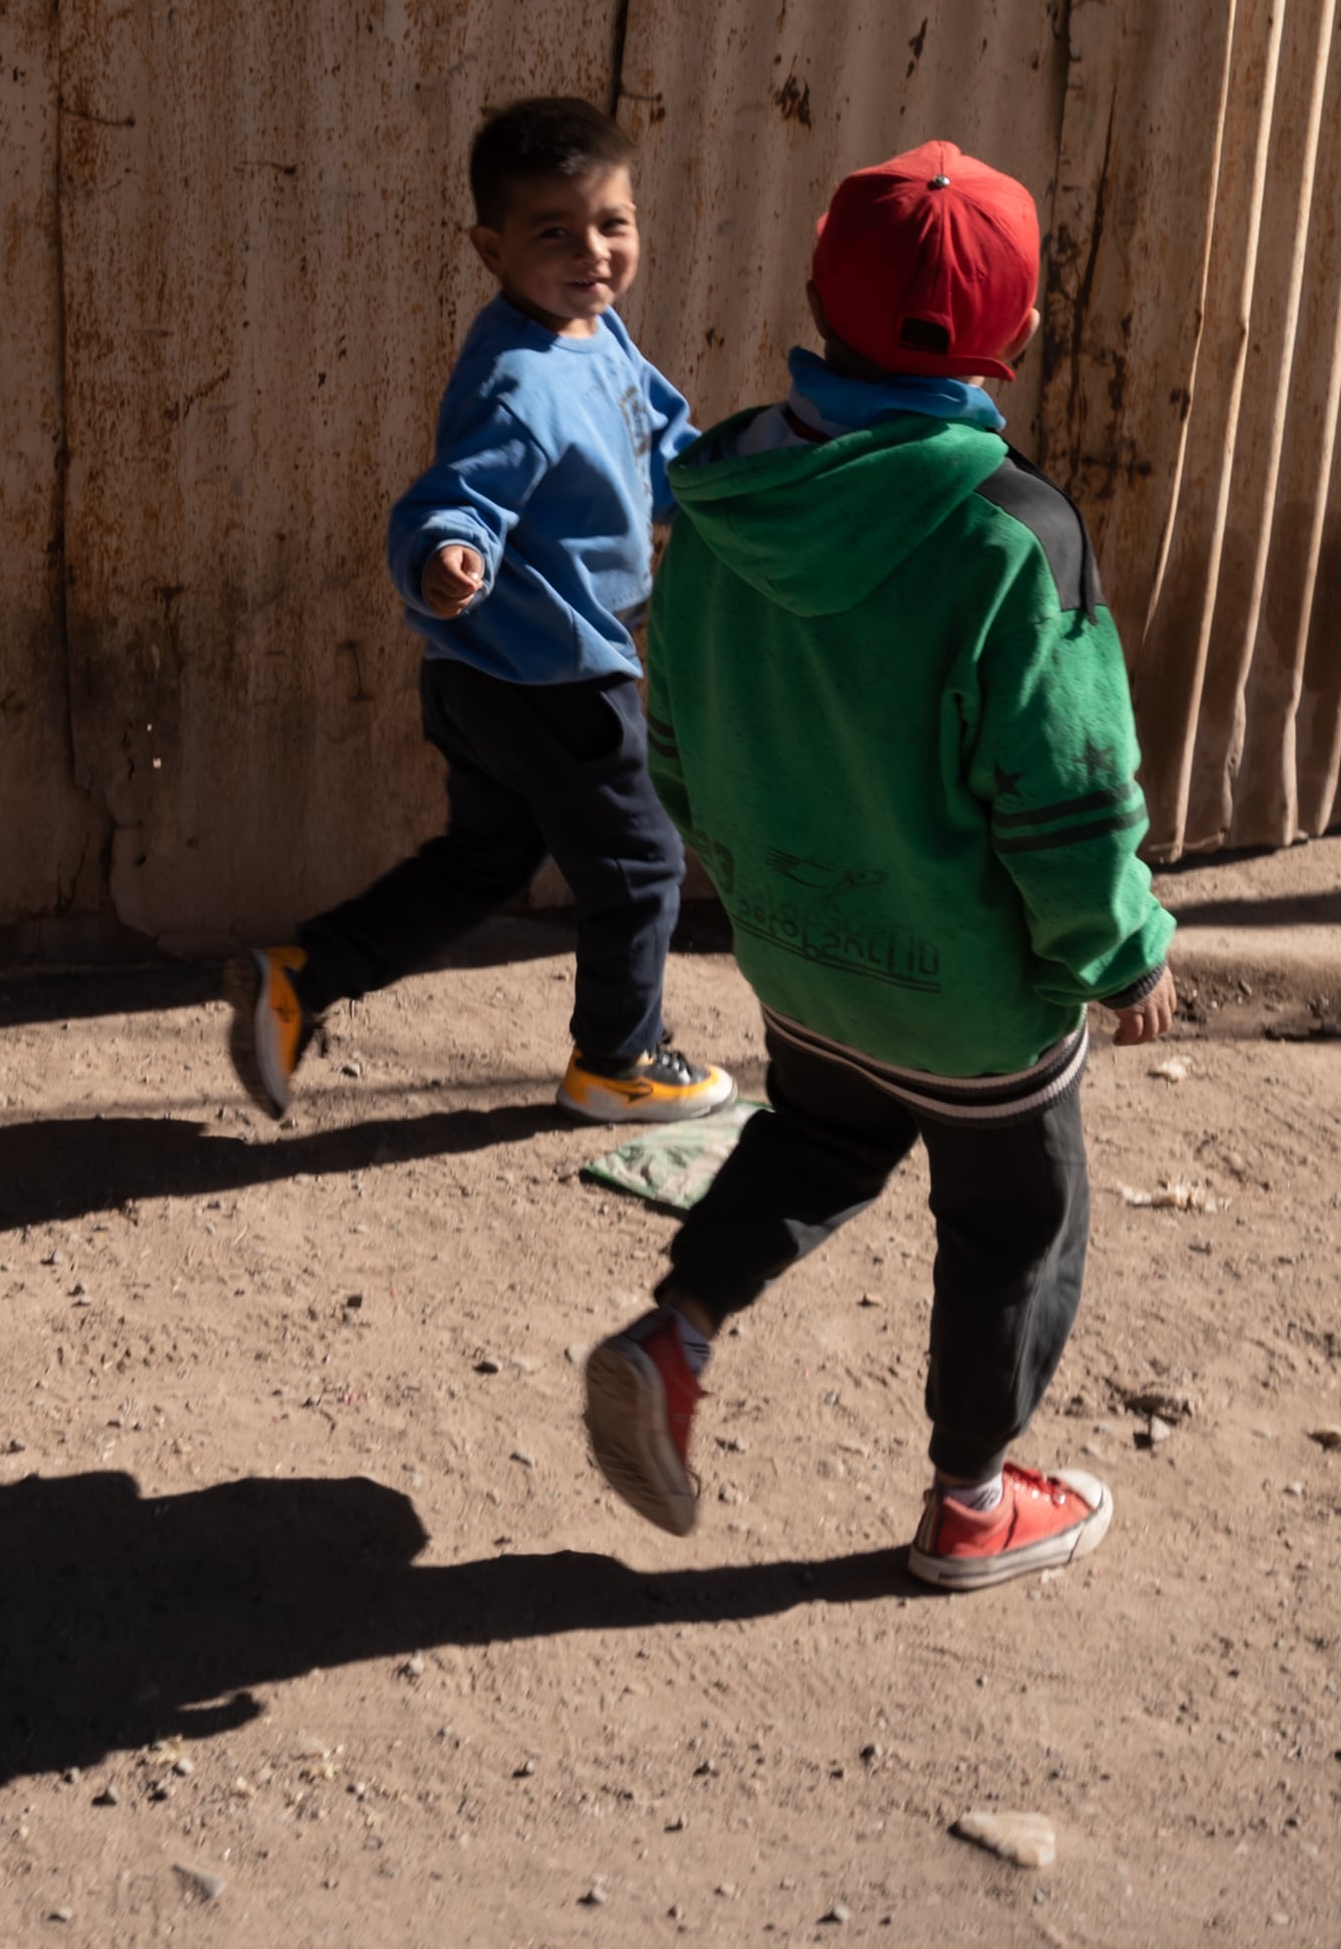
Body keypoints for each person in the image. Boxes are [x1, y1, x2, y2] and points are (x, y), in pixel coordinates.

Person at [578, 142, 1175, 1592]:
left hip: (801, 948)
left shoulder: (722, 499)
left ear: (811, 301)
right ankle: (971, 1502)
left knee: (818, 1135)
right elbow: (1070, 798)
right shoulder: (1010, 535)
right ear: (1019, 345)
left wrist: (753, 879)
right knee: (1010, 1221)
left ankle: (678, 1331)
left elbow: (673, 737)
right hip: (974, 996)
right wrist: (1123, 950)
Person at [224, 94, 737, 1130]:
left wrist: (753, 493)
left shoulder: (597, 336)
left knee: (485, 858)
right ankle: (618, 1060)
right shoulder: (519, 378)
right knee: (639, 864)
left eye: (611, 224)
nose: (589, 251)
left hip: (484, 682)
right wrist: (446, 556)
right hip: (552, 678)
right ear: (488, 248)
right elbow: (453, 497)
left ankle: (302, 975)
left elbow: (665, 449)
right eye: (553, 232)